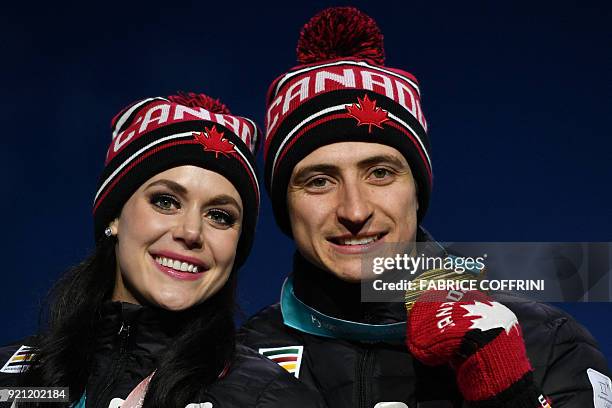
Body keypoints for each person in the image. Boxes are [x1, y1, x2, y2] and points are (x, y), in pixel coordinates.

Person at [238, 7, 610, 408]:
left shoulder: (548, 339)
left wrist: (506, 391)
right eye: (319, 181)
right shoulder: (236, 360)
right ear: (284, 207)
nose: (354, 209)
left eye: (379, 173)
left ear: (417, 191)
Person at [0, 92, 325, 407]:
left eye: (219, 216)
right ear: (113, 215)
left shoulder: (269, 397)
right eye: (166, 201)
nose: (191, 232)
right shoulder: (12, 382)